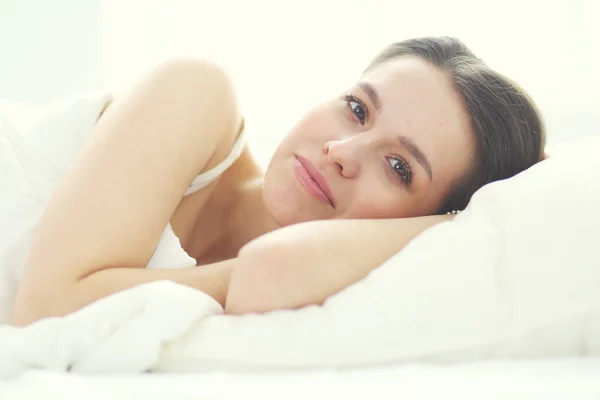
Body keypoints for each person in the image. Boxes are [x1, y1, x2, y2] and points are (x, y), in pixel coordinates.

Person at [11, 37, 545, 326]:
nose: (342, 151)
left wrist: (455, 228)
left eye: (399, 167)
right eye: (357, 108)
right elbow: (48, 310)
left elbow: (280, 266)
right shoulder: (198, 92)